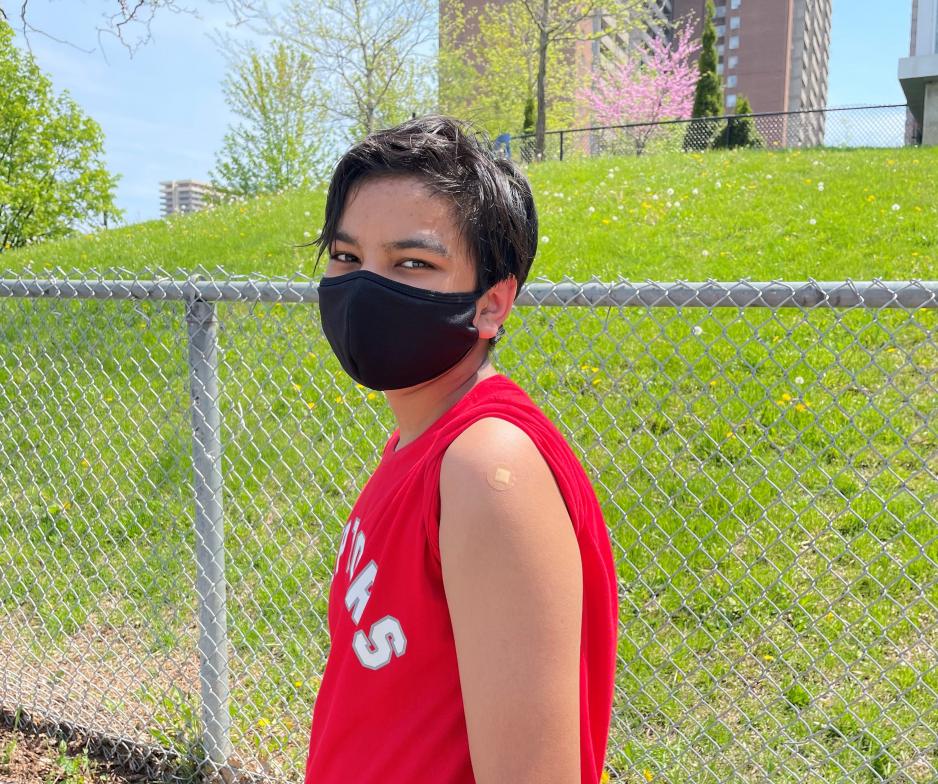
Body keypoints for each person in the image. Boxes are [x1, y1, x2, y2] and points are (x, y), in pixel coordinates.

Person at [304, 114, 618, 784]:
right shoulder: (416, 445)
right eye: (346, 256)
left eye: (412, 262)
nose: (363, 286)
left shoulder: (486, 468)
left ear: (492, 305)